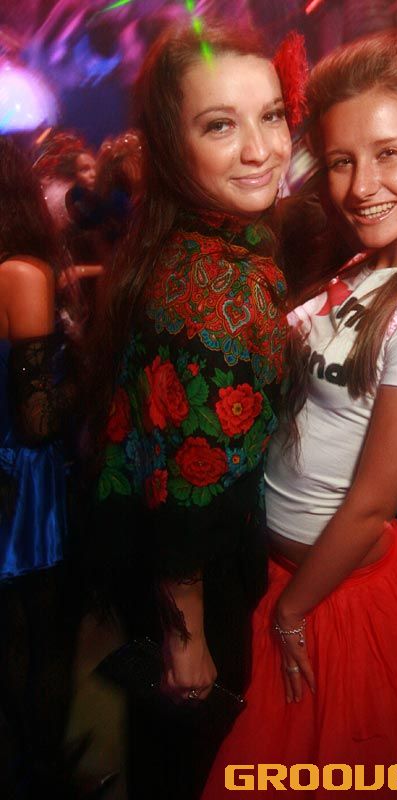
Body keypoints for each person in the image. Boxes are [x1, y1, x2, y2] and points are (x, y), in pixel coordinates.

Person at [202, 30, 397, 798]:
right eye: (339, 161)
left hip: (333, 603)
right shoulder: (365, 263)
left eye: (388, 153)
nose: (361, 186)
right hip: (283, 577)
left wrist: (290, 615)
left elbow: (370, 506)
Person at [83, 21, 292, 800]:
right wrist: (187, 634)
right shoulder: (220, 290)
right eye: (219, 126)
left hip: (150, 569)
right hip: (196, 586)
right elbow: (191, 489)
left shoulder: (179, 244)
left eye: (271, 115)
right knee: (189, 768)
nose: (260, 149)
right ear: (172, 148)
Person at [0, 137, 78, 797]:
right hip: (21, 480)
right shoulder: (21, 273)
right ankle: (40, 773)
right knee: (41, 635)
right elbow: (37, 417)